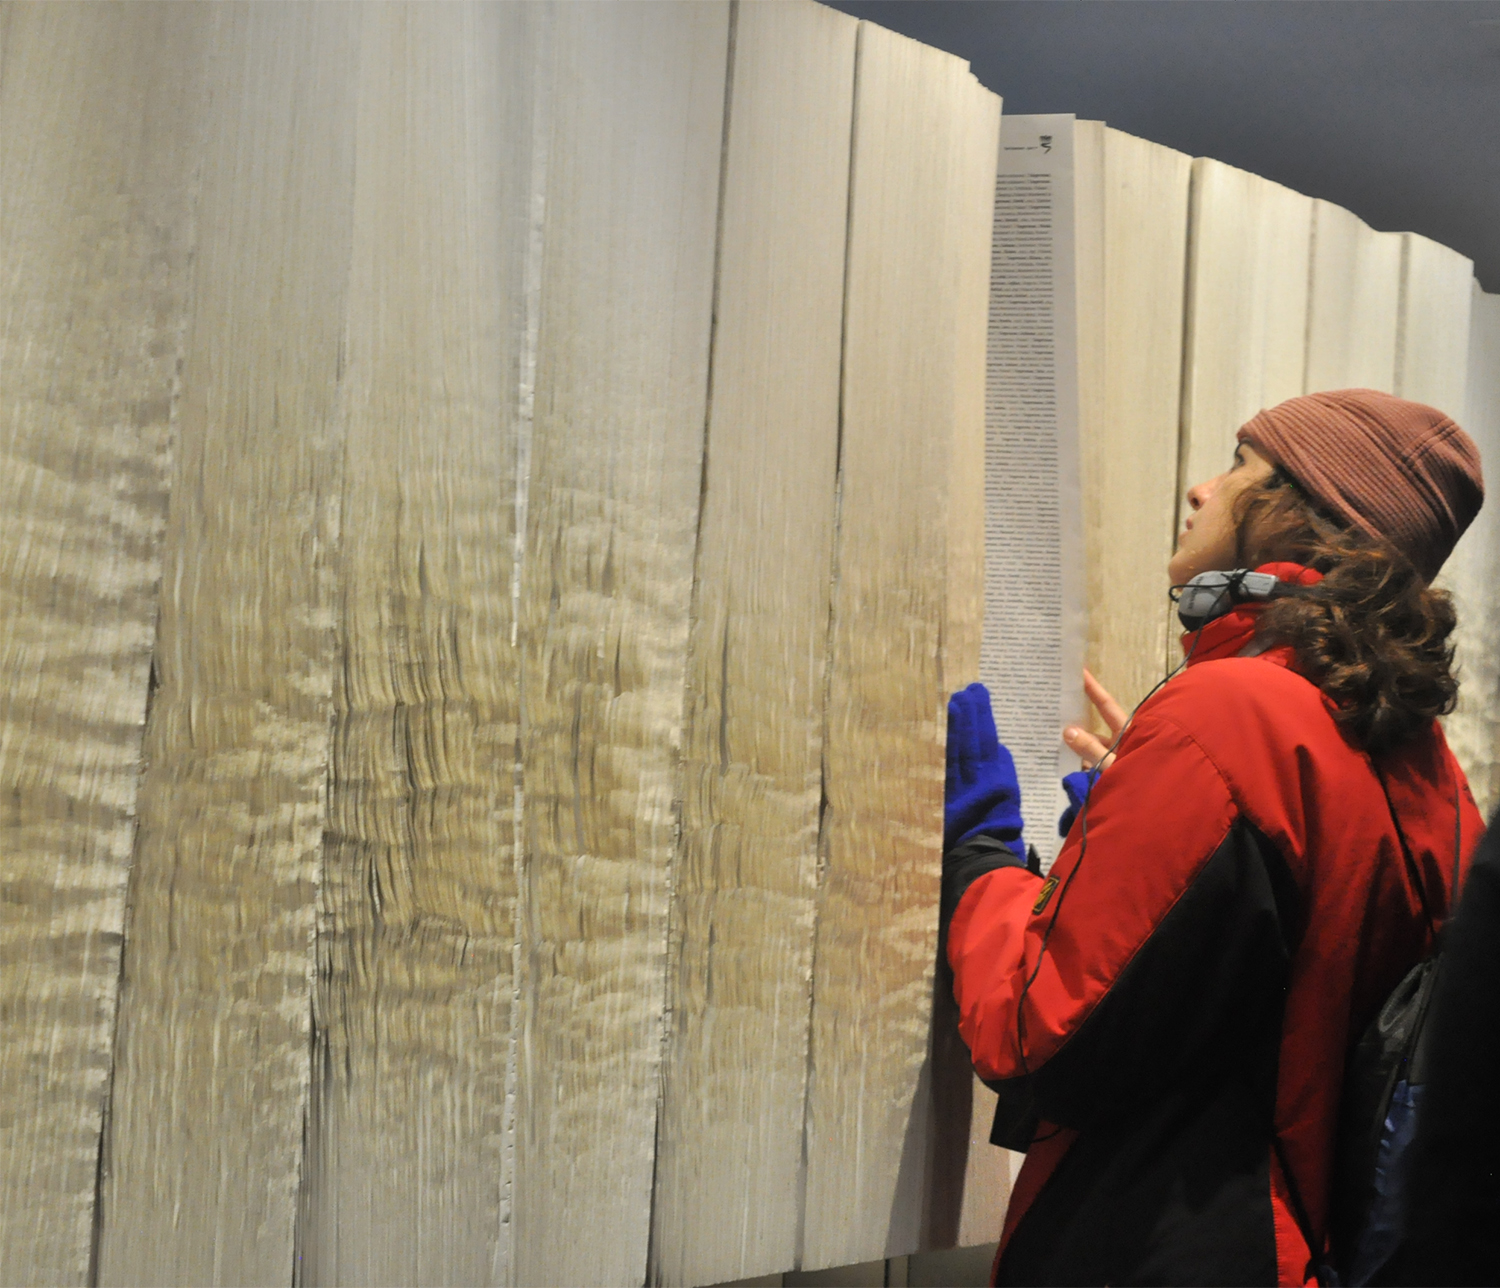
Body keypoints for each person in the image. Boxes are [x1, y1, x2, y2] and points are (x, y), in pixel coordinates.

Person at [941, 389, 1487, 1285]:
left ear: (1307, 511)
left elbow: (1041, 1034)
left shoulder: (1227, 717)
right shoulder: (1430, 770)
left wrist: (984, 862)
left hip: (1163, 1248)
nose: (1202, 489)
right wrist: (1139, 810)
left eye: (1240, 464)